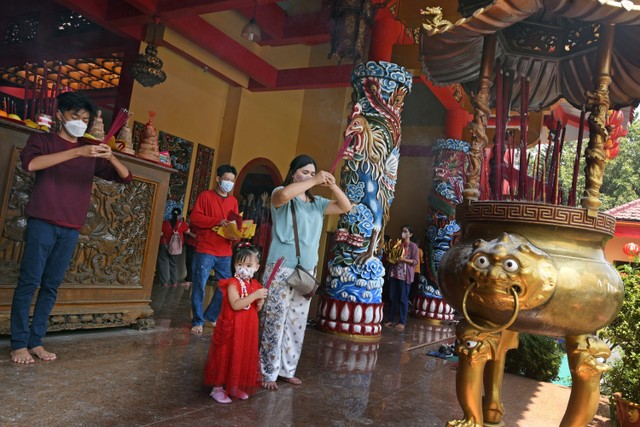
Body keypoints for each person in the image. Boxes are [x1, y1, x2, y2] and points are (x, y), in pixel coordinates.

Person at [10, 91, 132, 364]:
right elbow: (30, 164)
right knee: (29, 282)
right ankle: (19, 344)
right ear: (60, 115)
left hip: (71, 227)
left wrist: (110, 156)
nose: (80, 122)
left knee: (51, 286)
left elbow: (126, 178)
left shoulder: (91, 150)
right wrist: (77, 151)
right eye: (75, 116)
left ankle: (36, 342)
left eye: (85, 119)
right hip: (42, 221)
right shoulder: (42, 140)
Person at [260, 154, 351, 390]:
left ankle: (286, 370)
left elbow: (346, 206)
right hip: (281, 266)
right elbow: (283, 195)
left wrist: (332, 185)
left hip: (306, 270)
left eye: (312, 173)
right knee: (274, 320)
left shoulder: (318, 203)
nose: (310, 177)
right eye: (305, 172)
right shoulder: (281, 193)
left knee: (297, 322)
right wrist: (314, 180)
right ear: (293, 173)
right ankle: (267, 371)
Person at [204, 243, 268, 403]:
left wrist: (259, 302)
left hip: (246, 328)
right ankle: (217, 388)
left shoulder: (254, 285)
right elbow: (236, 304)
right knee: (226, 354)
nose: (243, 268)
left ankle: (233, 385)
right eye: (239, 264)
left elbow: (253, 308)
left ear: (257, 267)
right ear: (234, 265)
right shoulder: (232, 283)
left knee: (240, 355)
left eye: (248, 265)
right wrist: (255, 296)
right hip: (232, 327)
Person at [189, 165, 239, 335]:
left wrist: (236, 233)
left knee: (226, 287)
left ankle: (210, 315)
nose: (229, 183)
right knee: (200, 286)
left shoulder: (233, 201)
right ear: (218, 179)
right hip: (205, 249)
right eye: (226, 180)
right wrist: (217, 221)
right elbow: (195, 218)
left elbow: (235, 224)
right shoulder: (205, 196)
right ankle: (197, 320)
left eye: (232, 181)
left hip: (225, 251)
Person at [384, 225, 419, 331]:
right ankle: (391, 319)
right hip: (394, 274)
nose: (403, 233)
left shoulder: (413, 246)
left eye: (406, 231)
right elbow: (391, 256)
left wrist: (404, 260)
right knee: (392, 297)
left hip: (405, 276)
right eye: (402, 231)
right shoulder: (397, 244)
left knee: (403, 298)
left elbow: (415, 261)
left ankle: (402, 322)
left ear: (411, 234)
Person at [157, 207, 190, 287]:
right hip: (176, 248)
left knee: (163, 263)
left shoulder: (165, 223)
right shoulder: (182, 224)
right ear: (179, 215)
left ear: (171, 214)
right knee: (174, 264)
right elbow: (187, 231)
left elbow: (160, 233)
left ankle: (164, 282)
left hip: (164, 244)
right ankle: (174, 282)